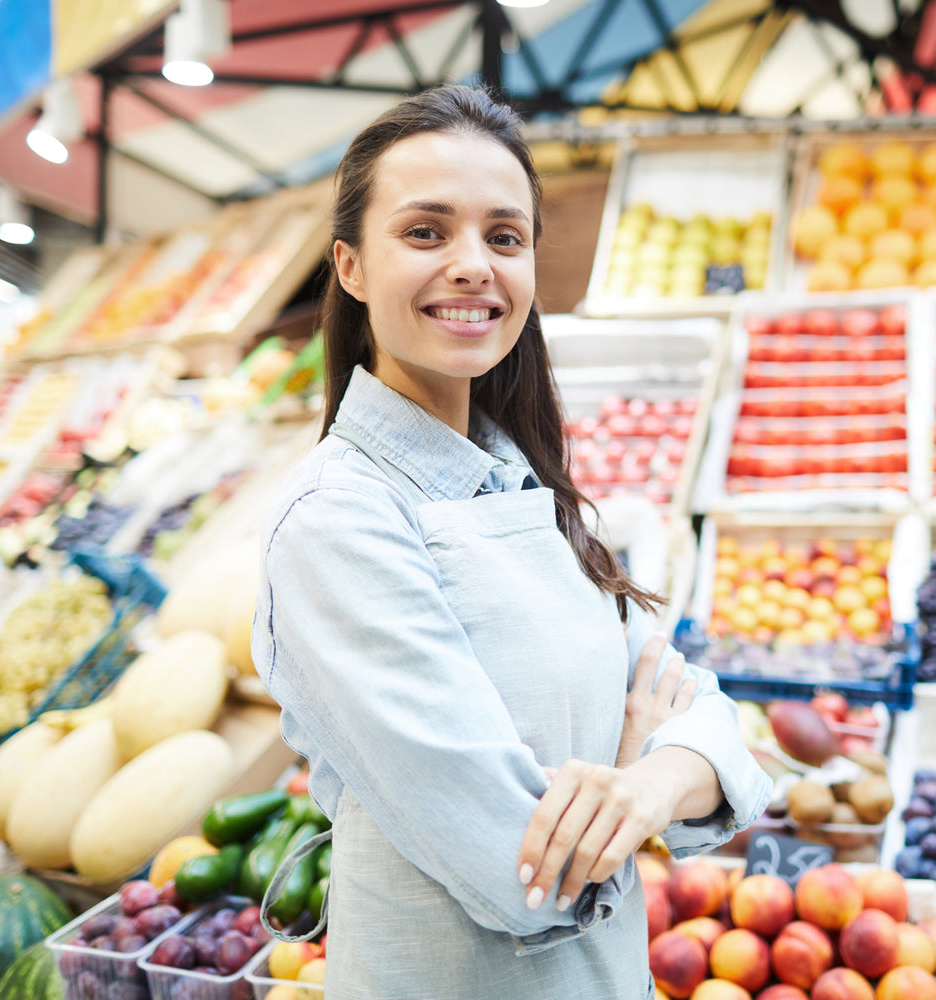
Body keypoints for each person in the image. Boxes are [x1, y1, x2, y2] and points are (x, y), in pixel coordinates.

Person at [251, 84, 770, 1000]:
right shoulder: (339, 520)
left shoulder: (522, 481)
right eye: (425, 232)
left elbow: (714, 721)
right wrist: (635, 758)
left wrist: (643, 788)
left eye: (503, 236)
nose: (472, 266)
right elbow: (520, 870)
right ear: (351, 266)